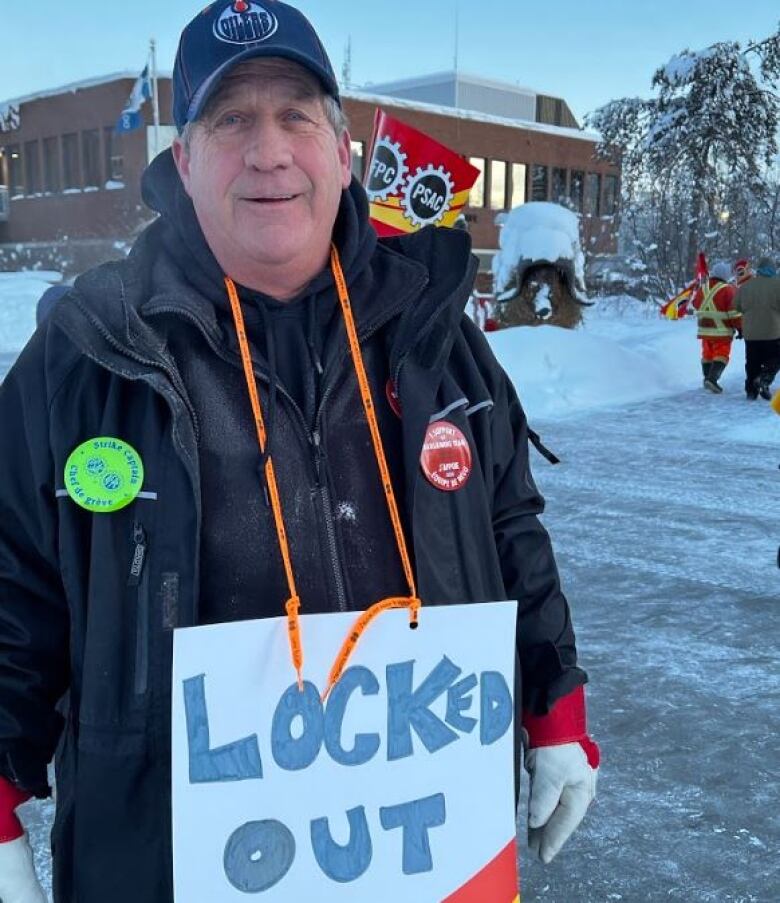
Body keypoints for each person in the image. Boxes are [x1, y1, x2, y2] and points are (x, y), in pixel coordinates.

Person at [0, 4, 599, 901]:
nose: (269, 150)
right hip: (166, 864)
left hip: (420, 850)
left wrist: (555, 705)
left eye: (295, 115)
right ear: (185, 162)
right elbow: (12, 578)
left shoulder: (435, 337)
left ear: (343, 148)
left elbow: (508, 525)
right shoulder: (87, 356)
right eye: (231, 118)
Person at [691, 260, 741, 393]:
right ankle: (712, 380)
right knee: (721, 354)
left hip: (704, 329)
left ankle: (707, 378)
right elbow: (734, 313)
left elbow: (695, 304)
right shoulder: (728, 290)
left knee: (707, 354)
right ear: (725, 275)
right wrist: (741, 328)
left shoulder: (703, 288)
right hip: (721, 330)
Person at [734, 256, 780, 400]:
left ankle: (751, 391)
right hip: (772, 331)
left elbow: (736, 305)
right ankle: (764, 379)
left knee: (752, 361)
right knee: (775, 358)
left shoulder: (746, 286)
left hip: (751, 332)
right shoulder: (778, 284)